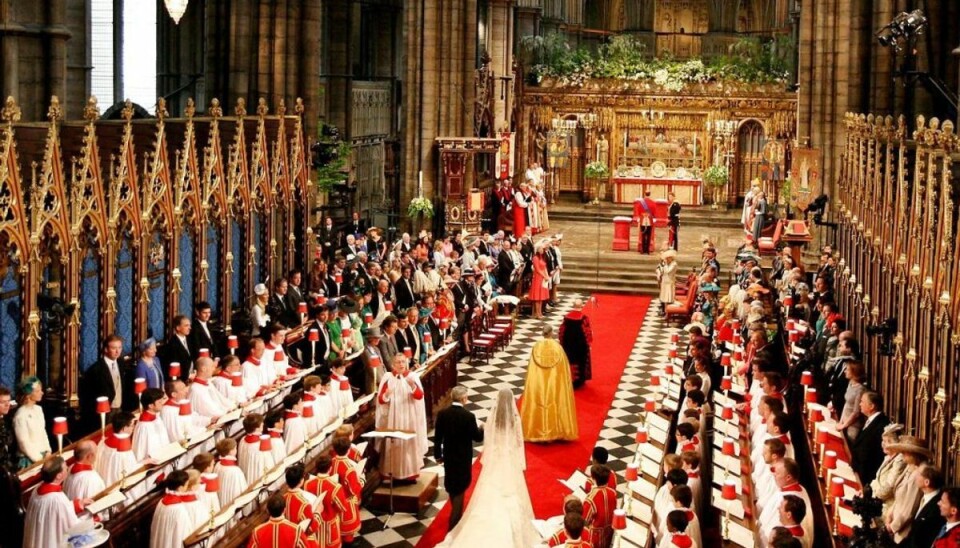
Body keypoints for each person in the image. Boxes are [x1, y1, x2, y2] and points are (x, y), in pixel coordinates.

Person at [436, 387, 539, 547]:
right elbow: (519, 442)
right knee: (509, 491)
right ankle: (456, 513)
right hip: (508, 459)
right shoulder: (515, 419)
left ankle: (457, 511)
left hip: (494, 459)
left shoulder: (492, 417)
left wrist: (485, 429)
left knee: (485, 490)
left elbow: (487, 440)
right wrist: (519, 461)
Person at [433, 385, 484, 530]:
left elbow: (438, 438)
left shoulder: (443, 414)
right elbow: (477, 437)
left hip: (448, 456)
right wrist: (482, 428)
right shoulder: (469, 416)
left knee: (451, 485)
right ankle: (453, 525)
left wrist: (438, 455)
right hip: (463, 458)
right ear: (464, 399)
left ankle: (456, 517)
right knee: (460, 487)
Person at [521, 325, 578, 442]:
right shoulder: (558, 348)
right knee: (555, 404)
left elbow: (532, 368)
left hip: (540, 383)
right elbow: (564, 367)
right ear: (551, 333)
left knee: (539, 405)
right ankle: (555, 431)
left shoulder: (536, 347)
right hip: (554, 383)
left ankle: (538, 431)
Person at [375, 355, 428, 481]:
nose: (401, 364)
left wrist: (413, 387)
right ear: (393, 364)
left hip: (409, 417)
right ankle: (392, 473)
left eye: (403, 361)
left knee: (409, 444)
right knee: (394, 444)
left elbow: (420, 396)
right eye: (398, 362)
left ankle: (410, 474)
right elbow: (381, 401)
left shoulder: (412, 377)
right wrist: (386, 395)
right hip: (393, 418)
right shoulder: (388, 378)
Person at [22, 456, 90, 548]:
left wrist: (77, 504)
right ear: (59, 476)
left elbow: (51, 513)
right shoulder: (57, 499)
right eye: (65, 467)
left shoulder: (37, 489)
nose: (67, 468)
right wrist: (91, 518)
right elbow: (73, 527)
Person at [79, 335, 124, 433]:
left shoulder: (121, 363)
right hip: (105, 411)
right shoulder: (96, 369)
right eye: (113, 348)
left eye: (119, 348)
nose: (117, 351)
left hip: (119, 408)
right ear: (106, 349)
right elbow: (89, 395)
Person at [849, 391, 890, 485]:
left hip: (866, 478)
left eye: (862, 402)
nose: (860, 404)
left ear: (871, 406)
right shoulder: (871, 420)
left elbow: (874, 454)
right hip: (858, 472)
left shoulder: (882, 425)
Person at [901, 464, 945, 548]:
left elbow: (924, 538)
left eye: (918, 475)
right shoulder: (923, 498)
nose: (915, 477)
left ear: (926, 482)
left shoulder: (938, 506)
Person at [13, 376, 51, 467]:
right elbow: (23, 442)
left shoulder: (38, 409)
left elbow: (43, 432)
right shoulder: (20, 415)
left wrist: (48, 450)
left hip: (44, 456)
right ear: (28, 394)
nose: (42, 393)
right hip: (30, 460)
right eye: (38, 391)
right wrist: (39, 459)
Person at [559, 298, 593, 388]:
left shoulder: (566, 318)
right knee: (580, 362)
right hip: (580, 346)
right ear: (581, 306)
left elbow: (561, 331)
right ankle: (579, 381)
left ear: (573, 305)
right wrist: (588, 344)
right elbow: (587, 332)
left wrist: (562, 343)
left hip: (568, 344)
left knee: (570, 361)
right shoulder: (584, 318)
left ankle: (569, 379)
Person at [529, 242, 551, 319]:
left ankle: (540, 312)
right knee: (537, 297)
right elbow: (537, 269)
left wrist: (547, 276)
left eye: (542, 249)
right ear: (537, 250)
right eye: (540, 249)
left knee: (541, 297)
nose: (542, 250)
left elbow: (544, 267)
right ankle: (537, 313)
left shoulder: (542, 257)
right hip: (538, 278)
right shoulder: (535, 258)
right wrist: (544, 276)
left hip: (543, 278)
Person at [658, 249, 678, 315]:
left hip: (669, 282)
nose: (667, 260)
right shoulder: (667, 264)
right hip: (665, 281)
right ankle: (664, 310)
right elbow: (662, 271)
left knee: (668, 297)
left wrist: (665, 265)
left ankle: (667, 312)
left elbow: (668, 271)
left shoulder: (674, 264)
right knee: (664, 297)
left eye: (668, 258)